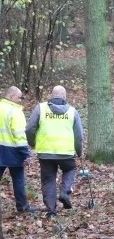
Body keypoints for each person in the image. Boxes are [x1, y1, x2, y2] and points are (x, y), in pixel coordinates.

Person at [26, 85, 83, 218]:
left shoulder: (40, 108)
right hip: (66, 153)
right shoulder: (72, 111)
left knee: (48, 180)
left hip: (45, 153)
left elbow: (29, 128)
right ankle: (64, 192)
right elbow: (79, 135)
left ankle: (51, 211)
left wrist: (32, 143)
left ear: (51, 95)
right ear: (64, 96)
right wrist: (79, 152)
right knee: (70, 170)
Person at [0, 86, 34, 213]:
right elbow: (19, 135)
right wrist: (25, 154)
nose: (20, 100)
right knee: (18, 180)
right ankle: (22, 206)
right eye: (19, 97)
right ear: (12, 96)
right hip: (13, 152)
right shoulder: (15, 111)